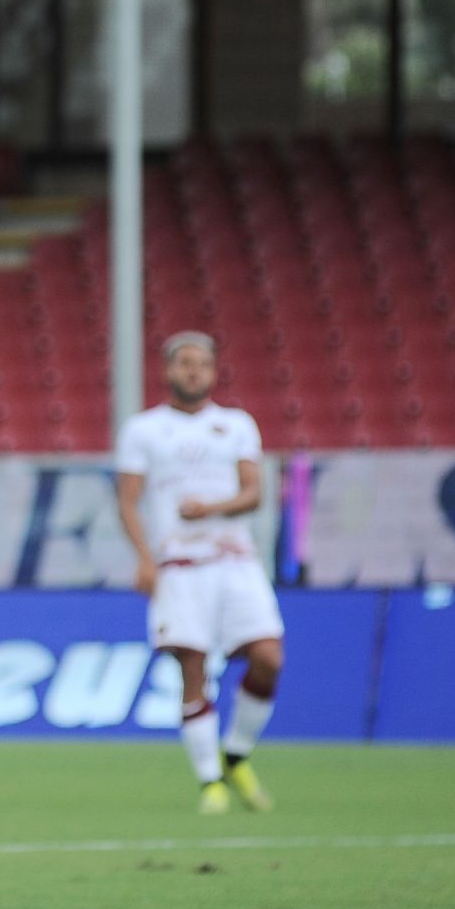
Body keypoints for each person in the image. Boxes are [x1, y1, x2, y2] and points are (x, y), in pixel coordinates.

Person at [116, 331, 283, 815]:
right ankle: (210, 781)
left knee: (268, 657)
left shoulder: (236, 425)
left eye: (202, 364)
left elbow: (254, 493)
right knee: (193, 666)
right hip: (179, 566)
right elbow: (127, 500)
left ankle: (236, 754)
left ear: (213, 371)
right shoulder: (144, 429)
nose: (193, 371)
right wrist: (144, 558)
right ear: (168, 369)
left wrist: (210, 508)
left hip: (235, 559)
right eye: (184, 362)